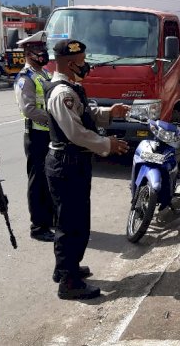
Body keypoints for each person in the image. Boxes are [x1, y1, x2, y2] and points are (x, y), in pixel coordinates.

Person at [45, 39, 131, 299]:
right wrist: (108, 144)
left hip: (73, 162)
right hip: (67, 163)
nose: (87, 64)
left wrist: (109, 112)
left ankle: (67, 267)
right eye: (83, 60)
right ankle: (69, 283)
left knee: (74, 220)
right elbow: (76, 133)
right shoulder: (63, 93)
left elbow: (86, 115)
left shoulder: (72, 87)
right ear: (71, 63)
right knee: (72, 224)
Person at [14, 31, 56, 242]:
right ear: (29, 53)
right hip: (36, 136)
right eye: (39, 51)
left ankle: (49, 220)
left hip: (49, 135)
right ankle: (38, 226)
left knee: (50, 179)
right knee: (38, 181)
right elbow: (29, 109)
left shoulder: (45, 75)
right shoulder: (25, 78)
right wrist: (54, 119)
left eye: (44, 50)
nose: (43, 54)